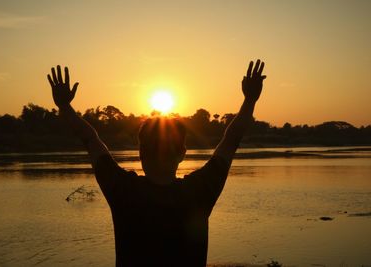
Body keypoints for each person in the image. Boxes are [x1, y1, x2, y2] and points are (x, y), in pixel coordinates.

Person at [47, 60, 266, 267]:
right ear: (182, 153)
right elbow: (232, 139)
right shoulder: (199, 191)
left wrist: (65, 106)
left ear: (141, 153)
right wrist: (249, 100)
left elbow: (90, 139)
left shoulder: (123, 190)